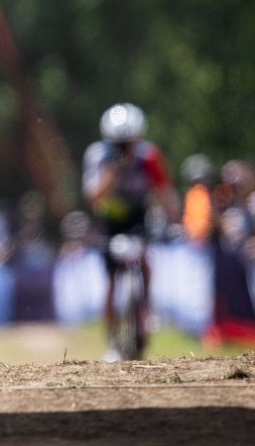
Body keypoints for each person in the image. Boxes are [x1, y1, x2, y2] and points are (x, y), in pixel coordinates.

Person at [81, 102, 179, 361]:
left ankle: (146, 307)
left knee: (145, 259)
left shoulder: (148, 156)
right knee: (112, 280)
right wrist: (112, 171)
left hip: (139, 217)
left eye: (129, 142)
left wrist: (176, 220)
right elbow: (93, 196)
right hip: (110, 221)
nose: (125, 148)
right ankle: (112, 340)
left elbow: (165, 192)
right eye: (118, 142)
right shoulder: (99, 156)